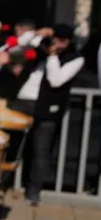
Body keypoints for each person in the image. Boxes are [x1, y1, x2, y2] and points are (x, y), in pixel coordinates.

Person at [15, 24, 84, 205]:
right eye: (56, 39)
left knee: (41, 150)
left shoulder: (75, 58)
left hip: (48, 108)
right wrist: (38, 33)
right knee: (14, 145)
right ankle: (5, 183)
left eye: (62, 41)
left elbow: (56, 80)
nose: (57, 44)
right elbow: (21, 42)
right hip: (24, 100)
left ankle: (33, 191)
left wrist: (52, 56)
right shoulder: (42, 45)